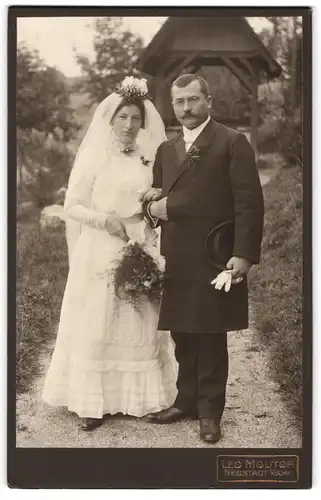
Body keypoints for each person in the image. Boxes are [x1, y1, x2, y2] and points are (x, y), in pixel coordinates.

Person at [42, 77, 178, 431]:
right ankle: (92, 402)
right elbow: (72, 205)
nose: (130, 125)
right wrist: (106, 221)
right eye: (123, 118)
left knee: (141, 313)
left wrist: (149, 218)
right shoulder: (93, 156)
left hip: (141, 237)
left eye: (136, 119)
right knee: (99, 316)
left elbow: (159, 195)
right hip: (101, 242)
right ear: (111, 119)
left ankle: (145, 398)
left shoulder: (150, 157)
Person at [142, 73, 264, 444]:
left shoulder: (231, 142)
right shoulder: (167, 150)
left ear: (208, 100)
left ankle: (210, 413)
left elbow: (248, 203)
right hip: (177, 255)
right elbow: (155, 202)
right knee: (182, 331)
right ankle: (187, 401)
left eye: (193, 100)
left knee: (210, 333)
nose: (186, 109)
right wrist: (151, 208)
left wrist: (243, 254)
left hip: (215, 254)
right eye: (179, 102)